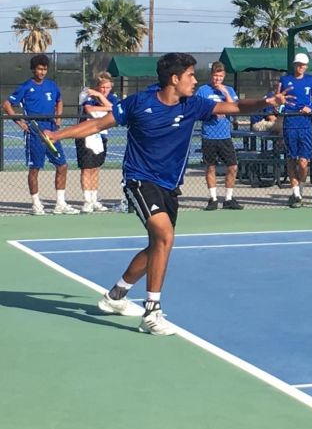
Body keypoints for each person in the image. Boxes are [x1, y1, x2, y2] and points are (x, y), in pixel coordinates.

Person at [44, 53, 281, 336]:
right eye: (191, 75)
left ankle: (116, 295)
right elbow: (97, 124)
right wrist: (59, 135)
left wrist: (265, 102)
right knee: (165, 236)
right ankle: (152, 312)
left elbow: (234, 106)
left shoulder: (193, 104)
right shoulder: (138, 103)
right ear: (174, 78)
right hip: (140, 180)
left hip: (170, 185)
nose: (195, 81)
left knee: (159, 245)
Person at [2, 54, 78, 215]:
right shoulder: (26, 86)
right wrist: (19, 121)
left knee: (62, 165)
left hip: (51, 130)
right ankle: (36, 204)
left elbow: (59, 100)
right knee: (35, 168)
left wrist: (58, 117)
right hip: (35, 131)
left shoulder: (52, 85)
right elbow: (7, 104)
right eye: (39, 69)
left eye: (44, 69)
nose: (42, 72)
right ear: (33, 69)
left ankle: (60, 203)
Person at [195, 61, 243, 211]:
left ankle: (228, 198)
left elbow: (235, 107)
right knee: (210, 167)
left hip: (225, 136)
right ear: (211, 76)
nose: (217, 79)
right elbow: (197, 109)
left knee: (233, 167)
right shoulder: (203, 90)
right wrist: (212, 112)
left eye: (220, 76)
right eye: (215, 76)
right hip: (209, 135)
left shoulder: (228, 90)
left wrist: (225, 93)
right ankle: (213, 199)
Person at [279, 53, 312, 208]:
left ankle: (300, 189)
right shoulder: (285, 80)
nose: (301, 67)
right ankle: (295, 193)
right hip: (290, 123)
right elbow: (278, 98)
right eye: (298, 64)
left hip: (306, 124)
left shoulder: (311, 80)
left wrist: (311, 107)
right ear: (294, 65)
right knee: (291, 159)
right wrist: (281, 107)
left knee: (303, 162)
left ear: (306, 66)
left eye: (303, 65)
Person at [76, 72, 118, 213]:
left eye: (107, 88)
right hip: (86, 136)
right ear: (97, 87)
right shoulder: (88, 97)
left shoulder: (111, 97)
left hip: (101, 136)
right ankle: (87, 201)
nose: (105, 90)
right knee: (87, 169)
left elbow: (115, 109)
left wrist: (101, 98)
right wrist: (105, 106)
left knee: (96, 168)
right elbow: (89, 109)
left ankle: (94, 200)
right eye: (102, 88)